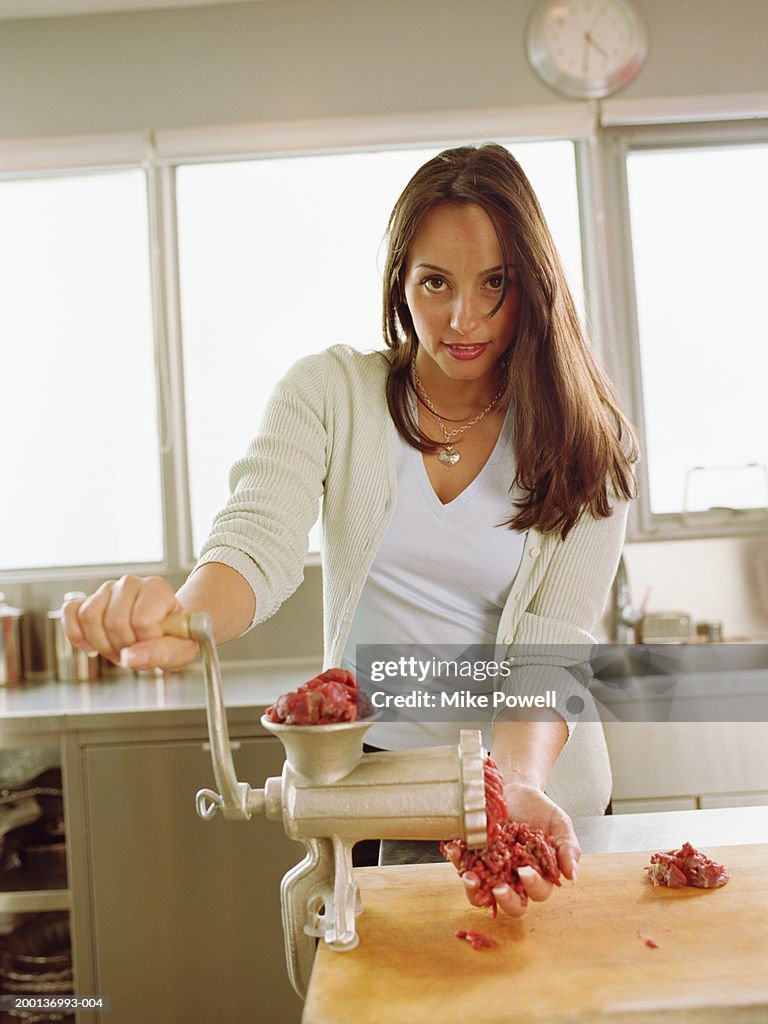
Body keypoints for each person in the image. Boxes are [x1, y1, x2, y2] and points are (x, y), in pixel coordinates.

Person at [63, 143, 637, 918]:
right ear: (401, 282)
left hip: (535, 792)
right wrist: (187, 621)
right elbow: (256, 541)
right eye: (435, 282)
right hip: (378, 792)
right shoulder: (330, 394)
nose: (463, 318)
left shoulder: (590, 438)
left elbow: (552, 648)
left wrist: (515, 787)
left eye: (494, 284)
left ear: (531, 287)